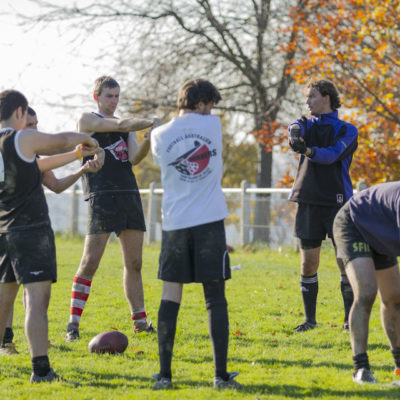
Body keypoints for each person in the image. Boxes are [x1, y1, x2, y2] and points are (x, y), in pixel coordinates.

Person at [0, 89, 99, 382]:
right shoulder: (19, 138)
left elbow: (41, 167)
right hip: (30, 230)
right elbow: (58, 141)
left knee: (4, 303)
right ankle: (41, 371)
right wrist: (86, 139)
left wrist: (78, 157)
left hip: (4, 229)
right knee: (37, 302)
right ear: (20, 112)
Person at [150, 78, 241, 390]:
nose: (211, 110)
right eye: (210, 104)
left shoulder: (159, 134)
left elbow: (155, 155)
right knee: (215, 297)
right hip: (209, 222)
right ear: (202, 104)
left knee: (170, 295)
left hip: (174, 224)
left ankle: (164, 375)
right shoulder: (212, 125)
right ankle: (220, 376)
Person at [65, 76, 159, 342]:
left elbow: (133, 159)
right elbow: (119, 123)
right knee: (90, 262)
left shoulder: (126, 127)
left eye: (117, 96)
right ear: (97, 96)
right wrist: (151, 120)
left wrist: (148, 140)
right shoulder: (88, 120)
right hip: (101, 196)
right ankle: (73, 325)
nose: (113, 101)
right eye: (109, 96)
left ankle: (140, 323)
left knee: (135, 263)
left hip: (128, 194)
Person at [288, 79, 358, 332]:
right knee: (308, 264)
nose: (307, 102)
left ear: (327, 97)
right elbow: (295, 125)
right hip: (308, 200)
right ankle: (310, 321)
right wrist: (294, 132)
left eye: (312, 96)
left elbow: (330, 156)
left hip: (338, 203)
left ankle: (349, 321)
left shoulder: (347, 130)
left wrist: (307, 151)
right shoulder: (306, 123)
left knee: (344, 261)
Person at [333, 182, 400, 384]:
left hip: (381, 232)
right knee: (367, 291)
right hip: (354, 224)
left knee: (394, 298)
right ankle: (360, 368)